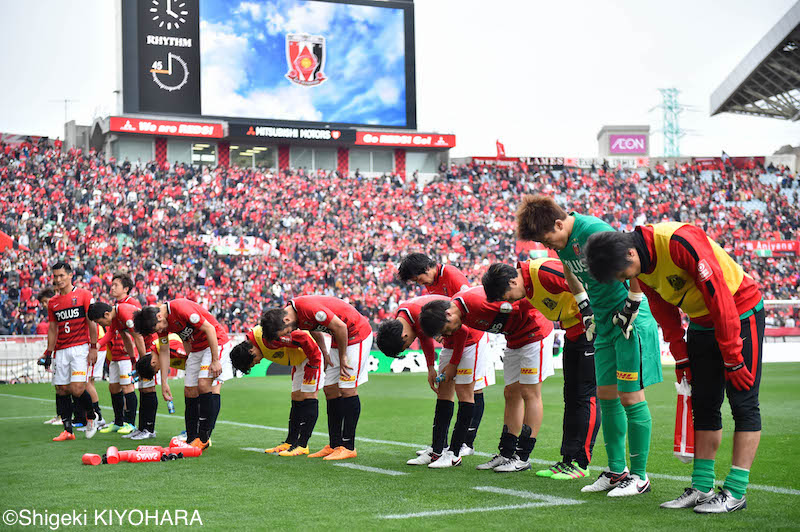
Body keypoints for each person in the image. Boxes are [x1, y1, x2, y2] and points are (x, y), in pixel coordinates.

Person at [584, 222, 764, 513]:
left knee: (743, 402)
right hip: (701, 322)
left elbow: (719, 295)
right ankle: (702, 486)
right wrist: (680, 356)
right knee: (704, 404)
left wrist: (732, 356)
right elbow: (662, 307)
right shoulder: (639, 263)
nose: (623, 280)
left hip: (739, 312)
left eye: (622, 274)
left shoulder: (679, 242)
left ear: (631, 253)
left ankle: (735, 491)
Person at [516, 195, 662, 497]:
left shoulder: (593, 230)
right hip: (603, 323)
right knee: (606, 397)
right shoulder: (562, 242)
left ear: (559, 223)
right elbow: (568, 267)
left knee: (631, 398)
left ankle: (640, 477)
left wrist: (633, 303)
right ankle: (616, 470)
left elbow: (633, 262)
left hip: (628, 321)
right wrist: (584, 305)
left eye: (549, 239)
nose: (549, 247)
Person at [482, 259, 600, 480]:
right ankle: (568, 460)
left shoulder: (544, 272)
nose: (509, 301)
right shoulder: (527, 283)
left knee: (586, 396)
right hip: (573, 334)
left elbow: (590, 284)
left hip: (591, 333)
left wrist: (596, 320)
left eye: (507, 296)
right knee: (572, 397)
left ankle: (580, 462)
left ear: (511, 281)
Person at [419, 286, 554, 473]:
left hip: (535, 333)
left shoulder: (478, 301)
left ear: (448, 314)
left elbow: (525, 298)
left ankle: (522, 457)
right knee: (510, 394)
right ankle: (506, 453)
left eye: (446, 330)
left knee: (530, 393)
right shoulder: (461, 313)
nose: (448, 335)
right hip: (514, 340)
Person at [376, 294, 488, 468]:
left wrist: (453, 364)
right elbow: (424, 337)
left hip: (470, 341)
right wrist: (430, 368)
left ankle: (454, 453)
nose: (410, 344)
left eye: (406, 346)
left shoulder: (419, 313)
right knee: (443, 393)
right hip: (450, 343)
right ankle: (437, 451)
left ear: (404, 336)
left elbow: (463, 330)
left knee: (465, 394)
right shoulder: (403, 316)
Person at [397, 254, 493, 456]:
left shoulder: (451, 275)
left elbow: (464, 310)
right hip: (453, 339)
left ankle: (467, 443)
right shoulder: (431, 284)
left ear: (426, 269)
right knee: (452, 390)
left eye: (417, 279)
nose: (419, 283)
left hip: (471, 338)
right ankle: (442, 446)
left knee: (473, 389)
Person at [260, 295, 372, 461]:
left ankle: (348, 446)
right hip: (338, 338)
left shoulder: (309, 308)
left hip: (356, 333)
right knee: (330, 389)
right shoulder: (293, 314)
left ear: (285, 319)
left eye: (288, 331)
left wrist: (342, 358)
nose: (290, 333)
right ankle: (334, 444)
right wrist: (326, 353)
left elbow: (341, 326)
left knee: (347, 388)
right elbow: (314, 329)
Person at [133, 298, 232, 450]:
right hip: (196, 349)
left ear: (159, 317)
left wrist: (215, 360)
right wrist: (164, 382)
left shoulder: (181, 308)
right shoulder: (163, 324)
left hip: (215, 342)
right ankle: (192, 438)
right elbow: (164, 351)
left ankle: (204, 438)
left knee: (204, 384)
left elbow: (210, 329)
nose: (159, 332)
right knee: (189, 390)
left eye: (157, 329)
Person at [230, 326, 323, 456]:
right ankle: (290, 442)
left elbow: (304, 337)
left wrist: (314, 362)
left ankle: (302, 444)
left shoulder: (268, 335)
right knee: (296, 396)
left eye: (253, 362)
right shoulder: (260, 344)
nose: (256, 363)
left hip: (312, 354)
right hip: (300, 359)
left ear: (251, 351)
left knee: (309, 395)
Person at [45, 262, 99, 441]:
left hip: (80, 348)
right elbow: (53, 329)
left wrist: (93, 346)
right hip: (61, 350)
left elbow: (92, 322)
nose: (58, 279)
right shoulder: (52, 302)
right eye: (55, 276)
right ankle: (68, 430)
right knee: (61, 389)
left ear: (70, 275)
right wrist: (48, 352)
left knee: (77, 389)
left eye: (61, 276)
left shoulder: (84, 295)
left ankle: (91, 416)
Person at [90, 301, 154, 439]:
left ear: (106, 314)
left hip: (150, 346)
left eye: (99, 321)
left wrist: (142, 362)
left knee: (137, 388)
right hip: (130, 353)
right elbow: (122, 337)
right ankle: (121, 422)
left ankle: (134, 424)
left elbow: (138, 337)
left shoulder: (124, 313)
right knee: (115, 387)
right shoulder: (116, 317)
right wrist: (94, 348)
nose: (101, 325)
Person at [134, 334, 188, 438]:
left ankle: (198, 433)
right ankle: (193, 431)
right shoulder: (159, 351)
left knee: (194, 391)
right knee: (191, 391)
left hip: (208, 362)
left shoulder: (173, 348)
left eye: (156, 370)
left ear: (153, 362)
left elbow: (193, 354)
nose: (158, 371)